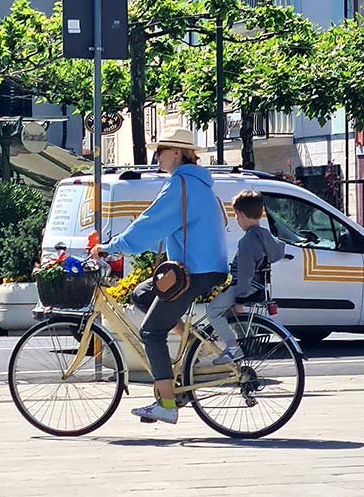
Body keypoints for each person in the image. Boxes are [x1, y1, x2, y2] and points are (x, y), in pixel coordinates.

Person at [89, 127, 228, 425]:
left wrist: (112, 248)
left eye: (161, 150)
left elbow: (148, 224)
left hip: (195, 272)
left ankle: (166, 403)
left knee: (151, 331)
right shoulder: (199, 183)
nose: (157, 156)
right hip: (204, 267)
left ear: (177, 152)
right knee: (141, 293)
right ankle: (192, 342)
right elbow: (162, 228)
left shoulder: (181, 184)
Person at [206, 190, 285, 365]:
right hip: (258, 285)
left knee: (212, 311)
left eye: (235, 214)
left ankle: (233, 348)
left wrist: (240, 297)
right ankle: (245, 345)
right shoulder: (265, 234)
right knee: (230, 313)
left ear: (241, 214)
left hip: (244, 286)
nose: (235, 218)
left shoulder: (248, 240)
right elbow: (277, 252)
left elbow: (245, 270)